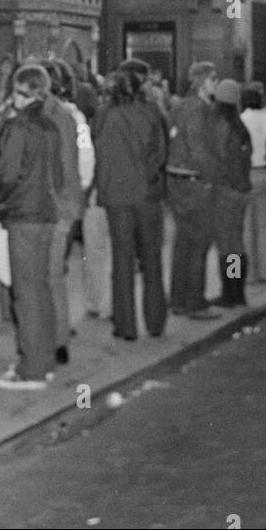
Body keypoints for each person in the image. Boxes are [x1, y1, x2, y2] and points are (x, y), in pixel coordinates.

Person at [0, 64, 63, 390]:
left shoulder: (16, 127)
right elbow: (57, 175)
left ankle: (30, 370)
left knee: (26, 293)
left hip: (23, 215)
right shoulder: (50, 125)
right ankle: (43, 361)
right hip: (46, 213)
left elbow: (5, 174)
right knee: (42, 288)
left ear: (21, 91)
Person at [95, 67, 167, 341]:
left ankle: (125, 325)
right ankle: (156, 320)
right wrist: (148, 175)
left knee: (122, 260)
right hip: (147, 194)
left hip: (118, 196)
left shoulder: (106, 116)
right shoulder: (151, 112)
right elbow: (160, 153)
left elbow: (102, 153)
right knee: (152, 258)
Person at [167, 61, 221, 319]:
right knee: (200, 241)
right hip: (195, 181)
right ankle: (194, 301)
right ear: (201, 82)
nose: (216, 84)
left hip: (175, 180)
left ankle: (177, 297)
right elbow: (197, 145)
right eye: (213, 79)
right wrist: (211, 175)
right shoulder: (200, 109)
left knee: (183, 241)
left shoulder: (178, 106)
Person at [42, 60, 82, 366]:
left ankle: (51, 340)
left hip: (49, 206)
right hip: (64, 205)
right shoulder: (69, 116)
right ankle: (59, 340)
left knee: (45, 275)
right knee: (54, 274)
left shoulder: (49, 118)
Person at [211, 79, 252, 307]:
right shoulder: (240, 126)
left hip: (226, 190)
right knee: (236, 243)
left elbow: (219, 159)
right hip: (241, 190)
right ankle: (238, 292)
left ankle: (230, 293)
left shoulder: (221, 126)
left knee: (227, 245)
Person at [240, 83, 266, 284]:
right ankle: (265, 271)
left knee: (246, 227)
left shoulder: (242, 119)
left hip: (248, 173)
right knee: (264, 225)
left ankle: (247, 274)